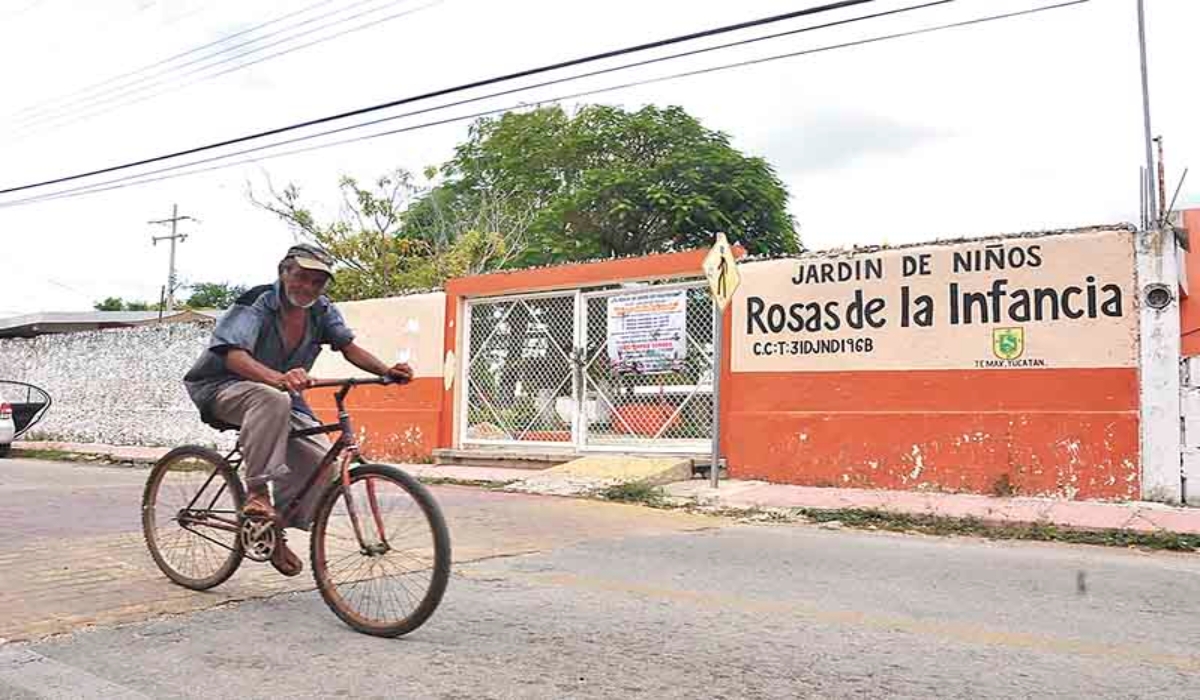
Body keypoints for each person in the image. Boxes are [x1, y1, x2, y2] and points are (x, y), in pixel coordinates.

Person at [183, 243, 412, 577]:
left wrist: (385, 372)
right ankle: (258, 493)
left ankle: (271, 530)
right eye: (301, 277)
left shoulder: (322, 310)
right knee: (271, 398)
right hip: (223, 387)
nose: (307, 287)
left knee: (322, 462)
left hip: (285, 396)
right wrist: (277, 378)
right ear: (283, 271)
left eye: (317, 282)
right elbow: (232, 354)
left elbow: (348, 347)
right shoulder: (256, 302)